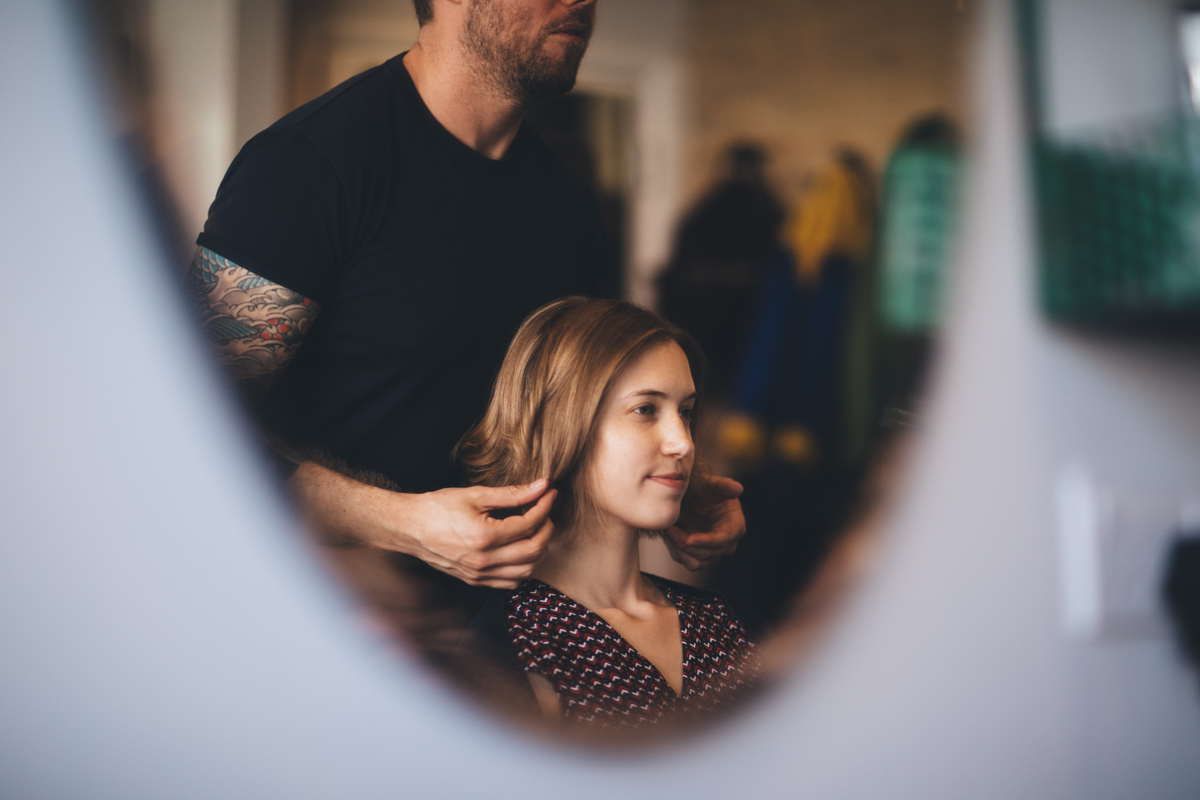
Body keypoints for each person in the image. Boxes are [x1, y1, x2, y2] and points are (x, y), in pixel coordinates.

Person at [186, 0, 745, 604]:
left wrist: (675, 484)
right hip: (322, 619)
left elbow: (573, 412)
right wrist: (403, 526)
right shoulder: (310, 165)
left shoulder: (570, 209)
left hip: (497, 638)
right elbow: (181, 429)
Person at [457, 297, 759, 730]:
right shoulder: (510, 649)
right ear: (564, 424)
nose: (684, 443)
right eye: (646, 410)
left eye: (686, 413)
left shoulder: (727, 624)